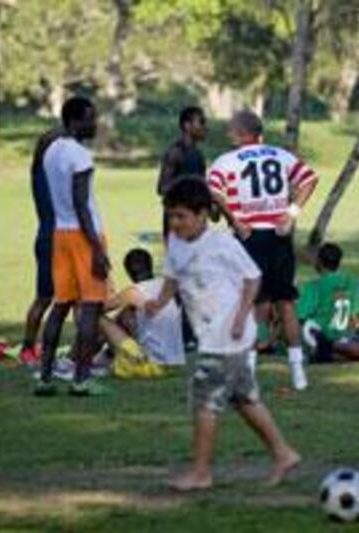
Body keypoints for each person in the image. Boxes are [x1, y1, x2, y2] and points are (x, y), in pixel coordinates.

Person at [145, 179, 300, 491]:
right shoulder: (176, 242)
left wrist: (242, 316)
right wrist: (159, 301)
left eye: (181, 216)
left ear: (203, 214)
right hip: (211, 334)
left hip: (227, 335)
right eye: (171, 216)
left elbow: (253, 279)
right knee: (244, 399)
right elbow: (173, 276)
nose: (175, 223)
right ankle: (283, 454)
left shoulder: (223, 245)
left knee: (205, 399)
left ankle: (201, 473)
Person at [208, 110, 319, 391]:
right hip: (279, 234)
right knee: (286, 303)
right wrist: (291, 213)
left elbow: (214, 191)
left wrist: (234, 219)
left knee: (254, 304)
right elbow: (309, 179)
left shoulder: (227, 160)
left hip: (250, 236)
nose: (228, 135)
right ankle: (297, 373)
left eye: (232, 131)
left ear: (242, 134)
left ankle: (249, 372)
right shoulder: (281, 155)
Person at [35, 96, 111, 396]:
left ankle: (44, 377)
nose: (95, 124)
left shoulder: (52, 150)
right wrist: (97, 249)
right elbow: (82, 204)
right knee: (91, 309)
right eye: (90, 118)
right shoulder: (80, 155)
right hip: (83, 236)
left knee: (60, 306)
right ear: (75, 120)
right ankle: (81, 380)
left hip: (60, 235)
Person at [19, 126, 64, 366]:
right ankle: (29, 348)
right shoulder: (46, 172)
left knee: (54, 300)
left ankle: (36, 349)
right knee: (46, 299)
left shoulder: (42, 170)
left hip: (53, 238)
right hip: (54, 240)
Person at [99, 248, 184, 367]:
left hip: (150, 362)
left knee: (98, 318)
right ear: (150, 265)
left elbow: (96, 310)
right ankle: (106, 355)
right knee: (127, 314)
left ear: (128, 272)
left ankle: (83, 358)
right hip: (176, 360)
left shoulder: (132, 292)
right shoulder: (168, 287)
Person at [297, 243, 359, 363]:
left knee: (308, 329)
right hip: (343, 336)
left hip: (319, 335)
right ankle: (342, 352)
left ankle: (324, 351)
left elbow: (300, 317)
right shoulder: (352, 283)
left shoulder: (314, 286)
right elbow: (356, 316)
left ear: (319, 262)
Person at [157, 106, 208, 239]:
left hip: (198, 224)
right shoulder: (175, 153)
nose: (205, 127)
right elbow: (162, 188)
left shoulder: (199, 155)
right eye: (201, 122)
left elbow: (202, 188)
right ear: (187, 125)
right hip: (178, 225)